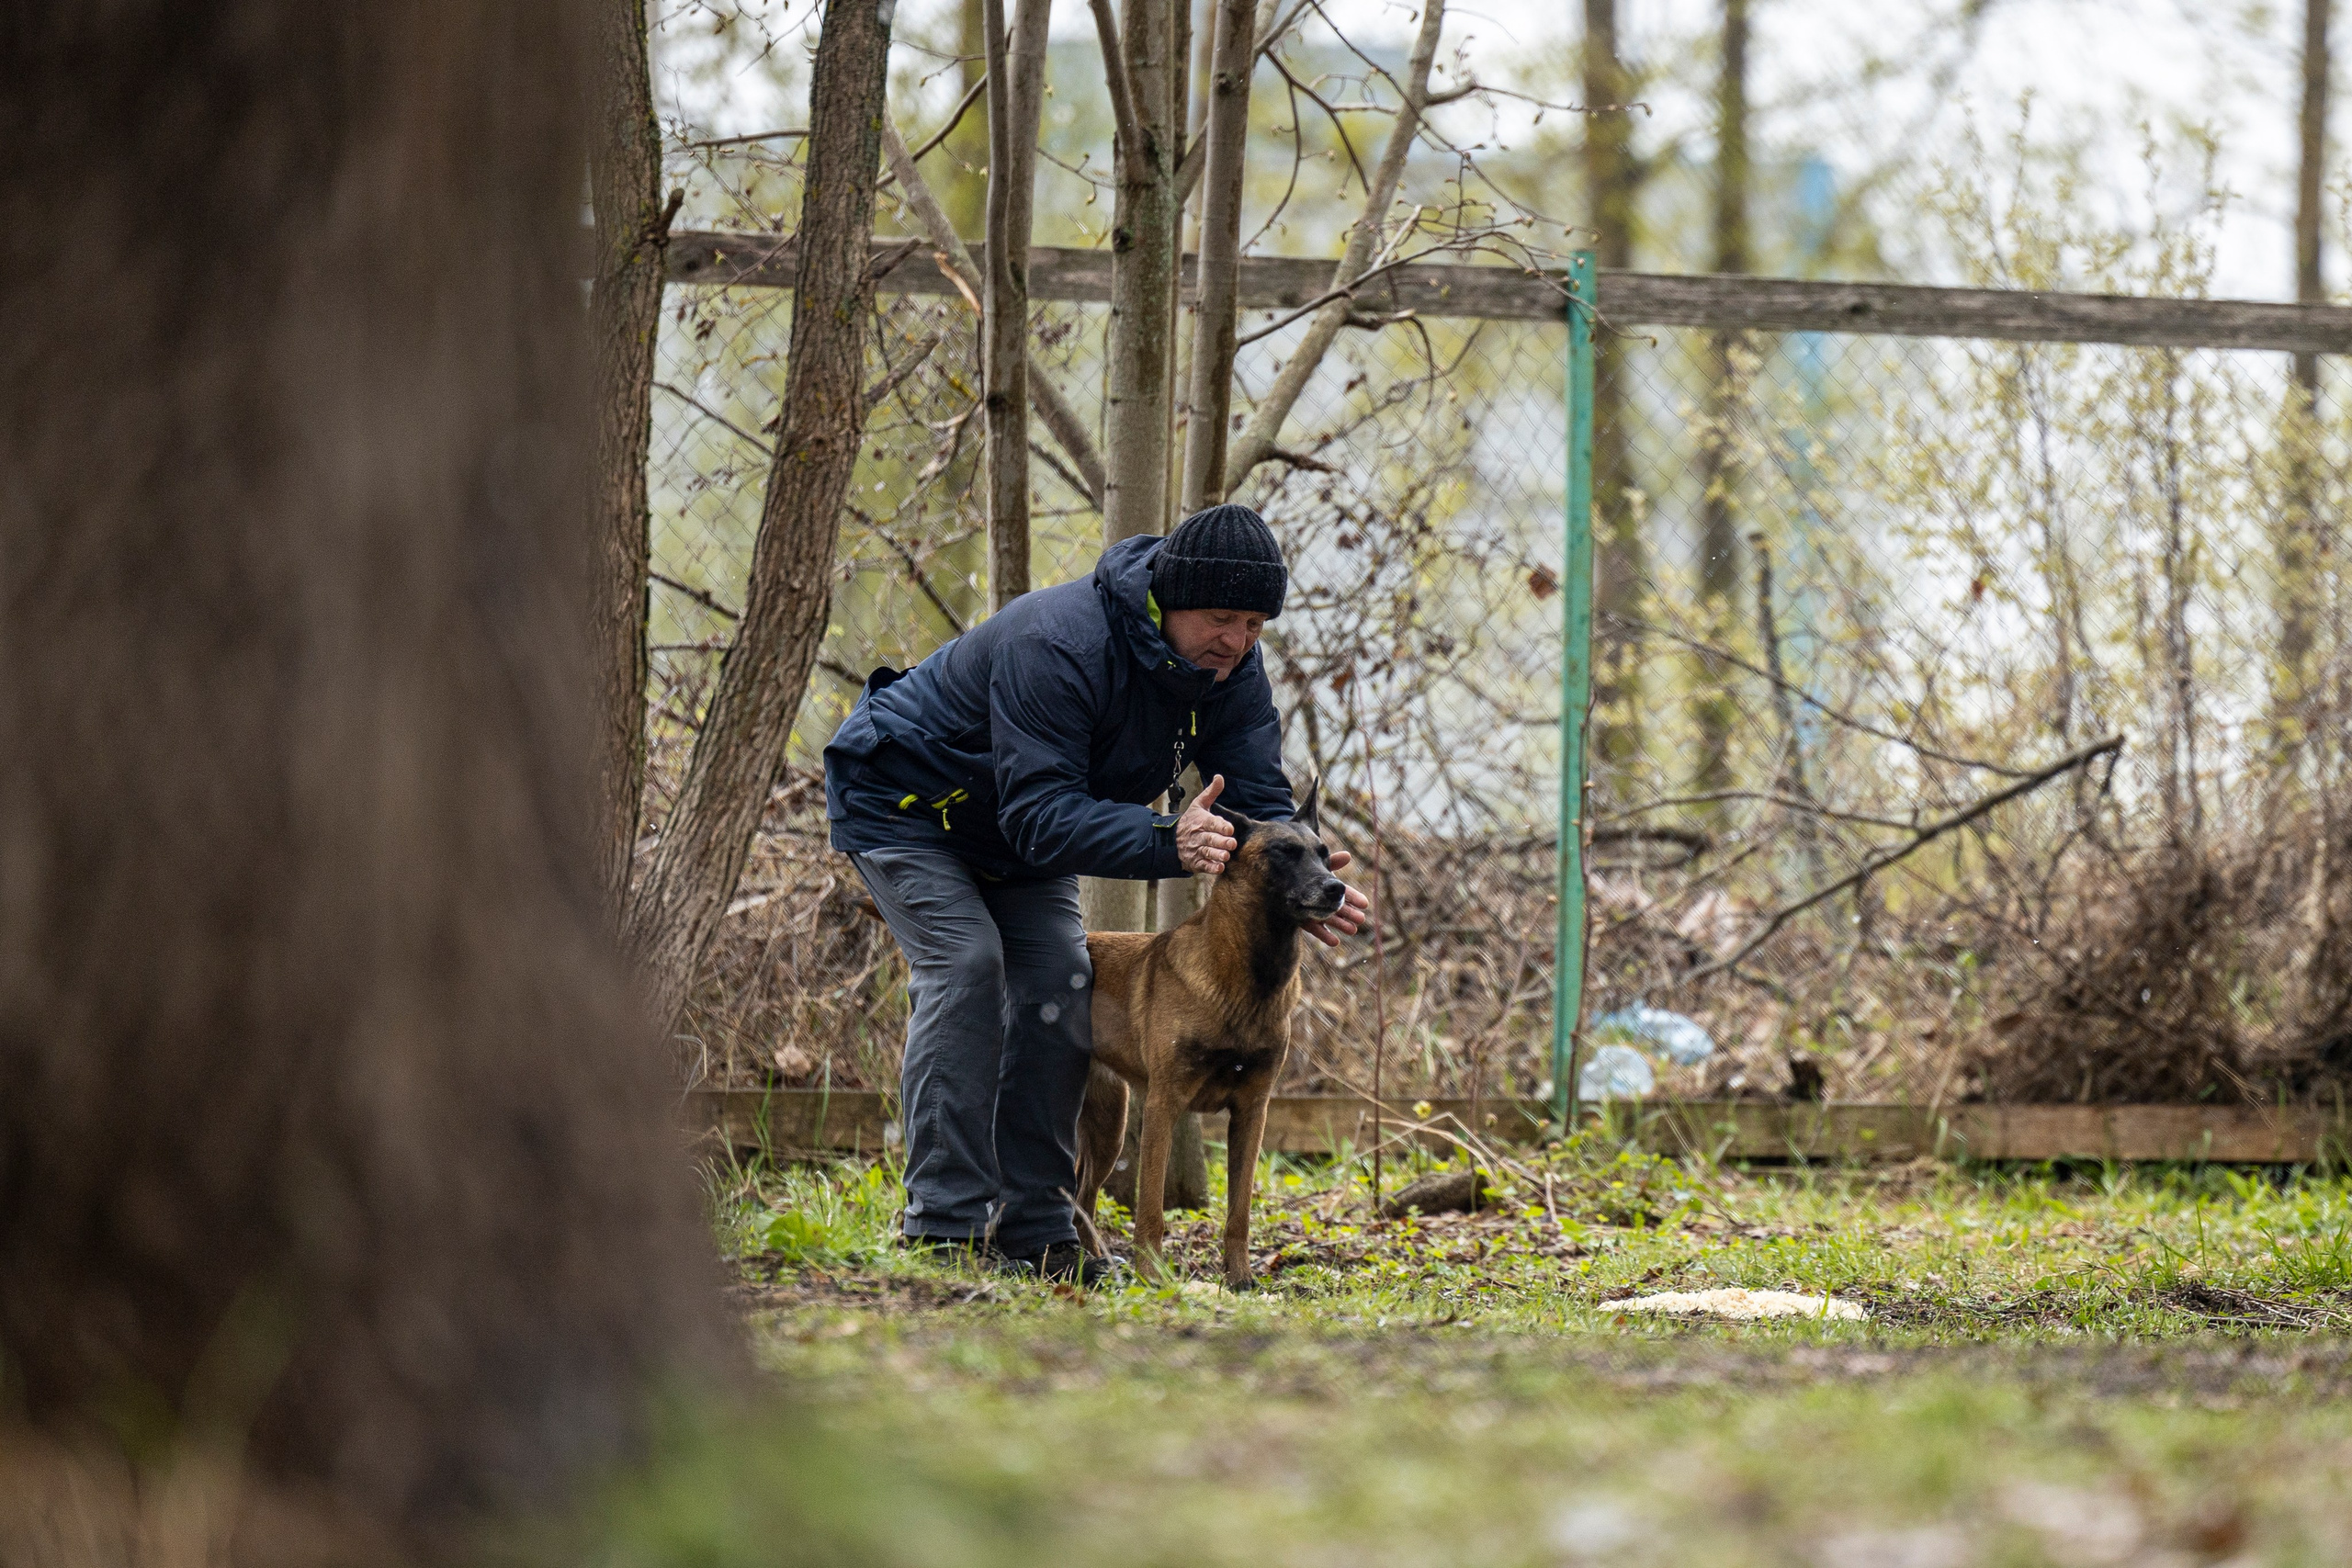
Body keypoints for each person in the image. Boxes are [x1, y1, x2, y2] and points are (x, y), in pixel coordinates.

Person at [824, 503, 1373, 1283]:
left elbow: (1257, 801)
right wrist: (1164, 839)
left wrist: (1297, 877)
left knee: (1059, 978)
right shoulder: (1059, 643)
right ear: (1169, 597)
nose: (1238, 640)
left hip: (1013, 829)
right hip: (907, 803)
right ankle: (943, 1230)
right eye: (1222, 617)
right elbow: (1041, 813)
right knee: (970, 963)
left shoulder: (1230, 670)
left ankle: (1037, 1231)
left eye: (1255, 623)